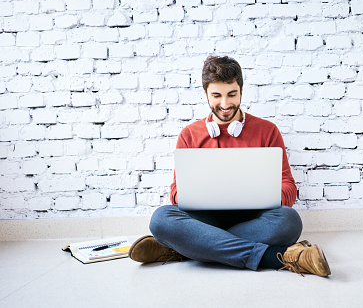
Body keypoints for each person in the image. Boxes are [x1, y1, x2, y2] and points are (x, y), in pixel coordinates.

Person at [129, 55, 331, 277]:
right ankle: (277, 257)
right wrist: (199, 194)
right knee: (161, 219)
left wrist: (260, 194)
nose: (224, 105)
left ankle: (186, 248)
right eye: (216, 96)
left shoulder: (268, 131)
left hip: (253, 219)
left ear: (241, 91)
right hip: (204, 218)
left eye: (232, 95)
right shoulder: (189, 135)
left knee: (289, 221)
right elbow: (176, 194)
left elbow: (288, 187)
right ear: (205, 94)